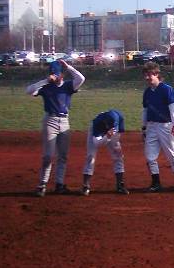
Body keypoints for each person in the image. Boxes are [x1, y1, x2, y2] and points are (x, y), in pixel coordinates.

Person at [26, 59, 85, 196]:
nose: (55, 77)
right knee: (48, 156)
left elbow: (81, 78)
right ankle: (42, 184)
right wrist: (45, 81)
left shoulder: (68, 86)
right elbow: (29, 91)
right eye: (53, 74)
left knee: (63, 156)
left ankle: (59, 184)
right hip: (50, 121)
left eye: (57, 74)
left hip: (64, 121)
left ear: (62, 75)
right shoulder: (46, 87)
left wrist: (68, 67)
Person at [141, 61, 174, 192]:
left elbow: (173, 108)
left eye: (149, 75)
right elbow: (145, 110)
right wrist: (144, 127)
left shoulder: (166, 89)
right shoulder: (147, 92)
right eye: (145, 75)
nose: (147, 78)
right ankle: (156, 183)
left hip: (166, 126)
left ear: (156, 74)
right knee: (150, 156)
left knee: (172, 154)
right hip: (151, 126)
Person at [81, 109, 129, 196]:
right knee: (91, 156)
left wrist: (116, 145)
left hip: (111, 134)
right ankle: (86, 186)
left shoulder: (119, 117)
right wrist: (108, 137)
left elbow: (118, 133)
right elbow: (97, 143)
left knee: (118, 155)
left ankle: (120, 185)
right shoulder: (97, 123)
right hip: (99, 134)